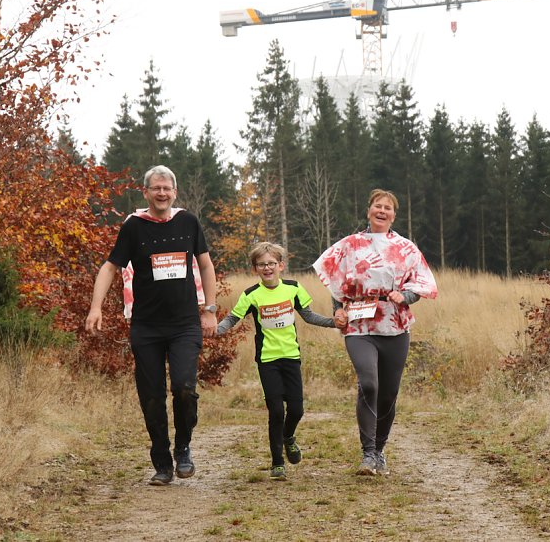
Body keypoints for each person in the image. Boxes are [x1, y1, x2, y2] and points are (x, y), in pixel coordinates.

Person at [85, 165, 218, 486]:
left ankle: (183, 447)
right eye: (156, 188)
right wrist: (96, 306)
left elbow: (205, 264)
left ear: (175, 192)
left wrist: (210, 309)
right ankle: (162, 460)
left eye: (167, 188)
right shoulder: (134, 226)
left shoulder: (188, 222)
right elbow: (110, 266)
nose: (162, 193)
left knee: (185, 388)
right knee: (152, 396)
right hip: (146, 327)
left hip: (185, 324)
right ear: (145, 192)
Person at [313, 189, 438, 476]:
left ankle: (380, 450)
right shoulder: (350, 244)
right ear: (368, 210)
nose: (382, 211)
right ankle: (367, 454)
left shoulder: (406, 247)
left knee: (388, 393)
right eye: (377, 206)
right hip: (359, 325)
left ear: (394, 215)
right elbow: (336, 281)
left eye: (388, 208)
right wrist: (337, 311)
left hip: (395, 326)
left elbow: (421, 284)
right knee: (369, 384)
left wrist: (404, 296)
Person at [217, 242, 339, 481]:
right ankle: (277, 463)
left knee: (296, 409)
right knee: (275, 411)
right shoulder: (251, 295)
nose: (267, 268)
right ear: (255, 269)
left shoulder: (293, 288)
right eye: (261, 264)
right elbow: (232, 318)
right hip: (267, 360)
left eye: (271, 263)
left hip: (291, 357)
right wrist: (214, 330)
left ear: (281, 265)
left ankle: (288, 437)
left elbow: (309, 315)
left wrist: (333, 322)